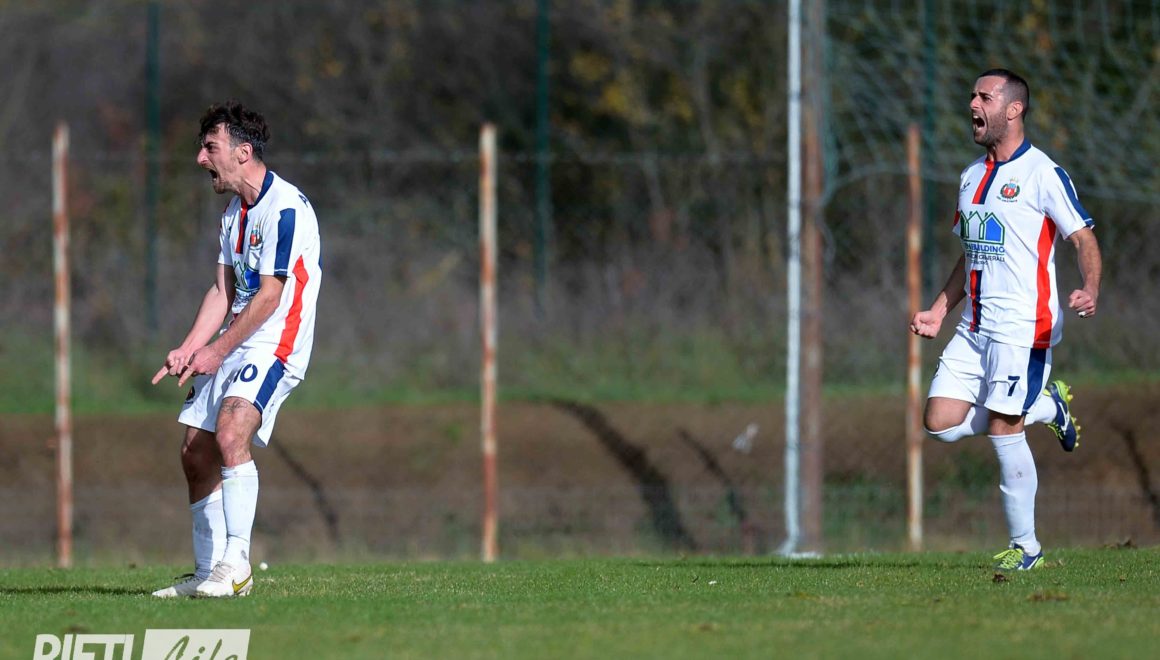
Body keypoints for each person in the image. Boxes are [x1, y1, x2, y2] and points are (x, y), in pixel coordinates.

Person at [910, 69, 1101, 571]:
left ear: (1014, 109)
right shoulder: (970, 176)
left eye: (985, 97)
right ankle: (1047, 406)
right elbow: (969, 253)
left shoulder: (1043, 173)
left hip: (1023, 327)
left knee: (1002, 426)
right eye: (972, 95)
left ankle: (1027, 548)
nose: (973, 104)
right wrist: (938, 309)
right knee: (939, 423)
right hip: (974, 327)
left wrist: (1090, 287)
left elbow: (1082, 237)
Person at [150, 101, 322, 597]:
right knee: (194, 451)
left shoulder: (284, 209)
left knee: (230, 432)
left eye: (210, 148)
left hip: (275, 341)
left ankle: (237, 566)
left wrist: (217, 351)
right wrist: (189, 347)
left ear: (243, 152)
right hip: (237, 340)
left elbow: (269, 297)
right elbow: (223, 291)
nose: (201, 159)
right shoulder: (233, 214)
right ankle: (207, 573)